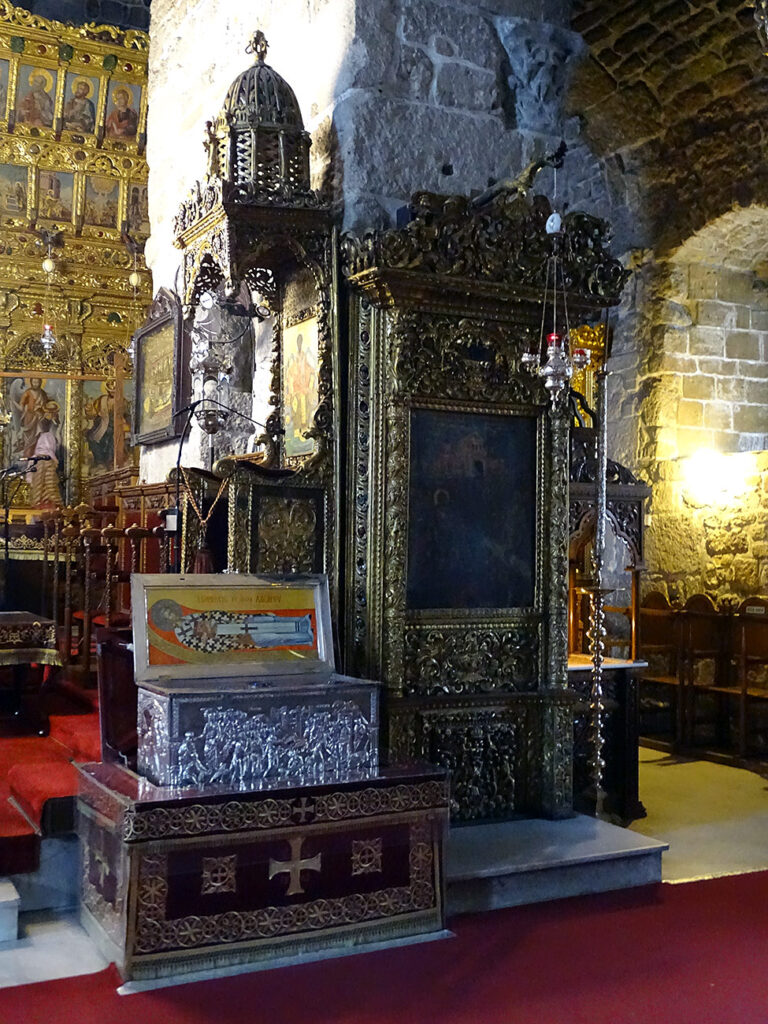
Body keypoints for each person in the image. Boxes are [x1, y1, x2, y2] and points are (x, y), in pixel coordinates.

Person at [27, 415, 61, 509]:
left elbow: (30, 479)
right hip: (47, 502)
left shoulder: (43, 437)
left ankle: (39, 502)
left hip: (39, 499)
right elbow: (51, 485)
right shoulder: (49, 437)